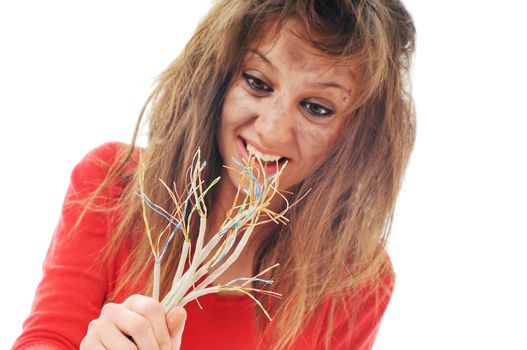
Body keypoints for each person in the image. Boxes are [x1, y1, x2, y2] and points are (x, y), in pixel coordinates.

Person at [13, 0, 416, 349]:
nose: (272, 130)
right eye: (257, 82)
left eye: (316, 108)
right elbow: (47, 336)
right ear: (217, 78)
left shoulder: (357, 281)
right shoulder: (113, 182)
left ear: (358, 134)